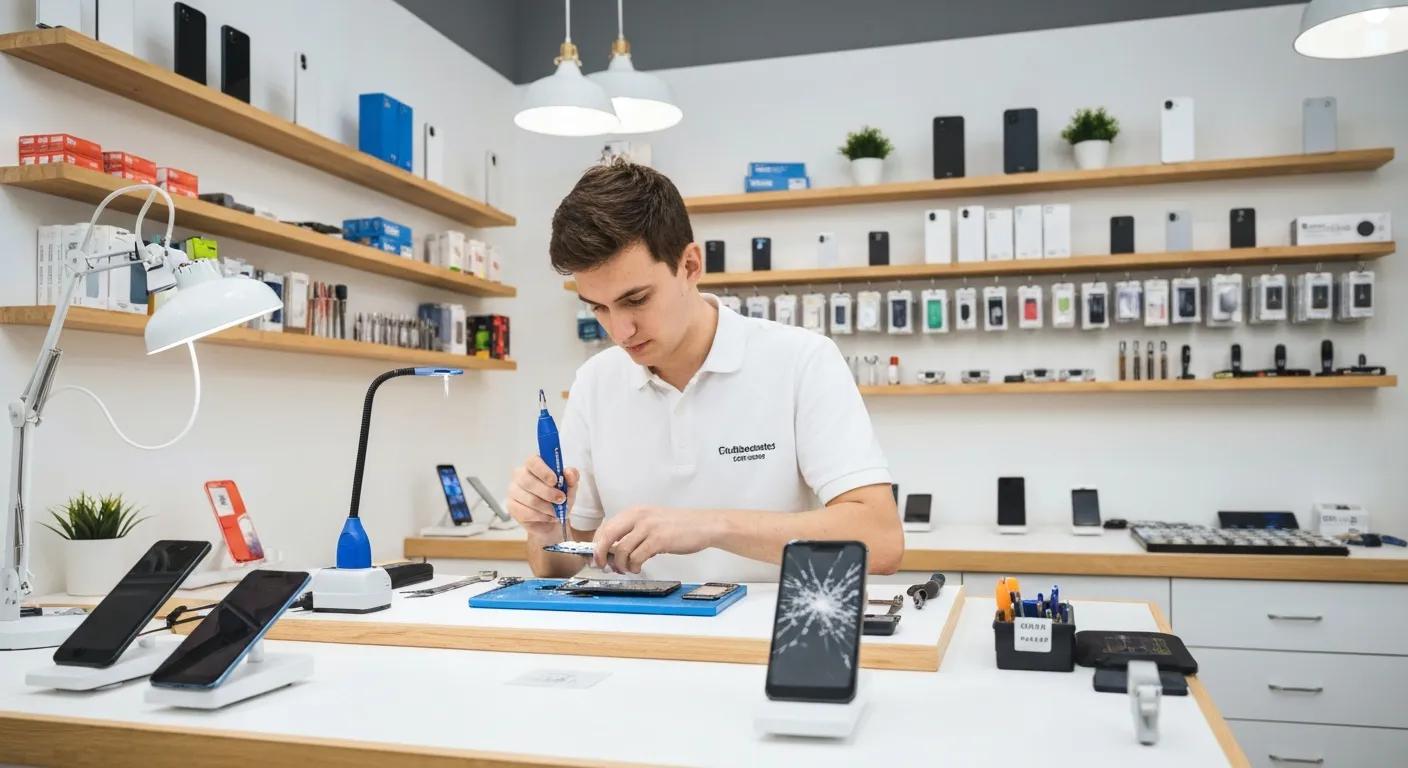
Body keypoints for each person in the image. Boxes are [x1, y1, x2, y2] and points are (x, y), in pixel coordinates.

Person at [508, 162, 902, 582]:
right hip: (637, 621)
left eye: (636, 300)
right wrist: (545, 531)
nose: (620, 332)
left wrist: (710, 526)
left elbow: (880, 540)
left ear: (691, 265)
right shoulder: (595, 381)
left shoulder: (803, 360)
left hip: (764, 623)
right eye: (598, 308)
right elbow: (560, 566)